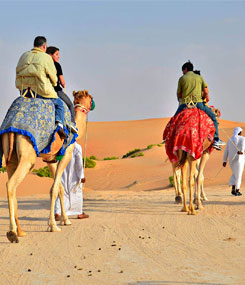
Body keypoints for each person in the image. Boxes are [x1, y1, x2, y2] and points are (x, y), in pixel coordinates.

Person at [15, 36, 66, 139]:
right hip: (41, 92)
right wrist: (54, 83)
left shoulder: (24, 55)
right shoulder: (46, 57)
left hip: (24, 92)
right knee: (60, 104)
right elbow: (53, 77)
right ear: (44, 46)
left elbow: (17, 71)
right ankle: (59, 125)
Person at [174, 61, 225, 150]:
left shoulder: (182, 79)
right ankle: (216, 140)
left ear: (185, 69)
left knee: (174, 120)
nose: (183, 73)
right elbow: (206, 92)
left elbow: (179, 95)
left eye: (183, 71)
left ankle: (169, 139)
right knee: (213, 117)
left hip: (185, 104)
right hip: (198, 104)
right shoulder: (199, 78)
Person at [46, 46, 77, 134]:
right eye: (56, 54)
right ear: (50, 55)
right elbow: (62, 81)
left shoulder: (44, 65)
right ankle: (72, 124)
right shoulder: (57, 65)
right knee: (70, 105)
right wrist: (63, 84)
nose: (58, 56)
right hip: (56, 91)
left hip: (43, 91)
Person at [55, 142, 89, 220]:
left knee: (61, 191)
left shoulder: (60, 145)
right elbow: (79, 163)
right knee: (76, 191)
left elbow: (56, 159)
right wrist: (81, 176)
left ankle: (58, 212)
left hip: (61, 171)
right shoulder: (76, 146)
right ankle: (79, 213)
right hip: (74, 174)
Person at [223, 127, 245, 196]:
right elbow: (243, 147)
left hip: (231, 160)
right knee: (238, 175)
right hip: (239, 160)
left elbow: (226, 151)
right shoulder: (243, 138)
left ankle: (233, 189)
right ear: (240, 132)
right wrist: (241, 151)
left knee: (234, 174)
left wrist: (224, 160)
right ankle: (237, 190)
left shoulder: (230, 139)